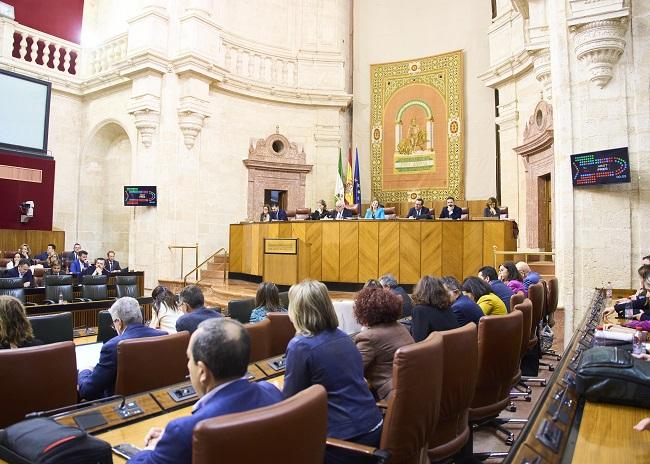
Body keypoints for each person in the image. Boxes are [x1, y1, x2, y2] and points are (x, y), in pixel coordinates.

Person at [128, 318, 283, 464]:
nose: (188, 365)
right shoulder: (273, 392)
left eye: (189, 358)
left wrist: (154, 448)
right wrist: (170, 443)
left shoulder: (184, 431)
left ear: (202, 372)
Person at [283, 280, 383, 463]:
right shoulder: (344, 337)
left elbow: (291, 402)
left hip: (344, 441)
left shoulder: (300, 346)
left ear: (297, 310)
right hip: (374, 428)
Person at [78, 297, 167, 400]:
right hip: (155, 400)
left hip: (119, 407)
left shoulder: (112, 346)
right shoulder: (163, 335)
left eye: (113, 324)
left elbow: (87, 391)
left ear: (119, 322)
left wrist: (84, 370)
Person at [353, 287, 414, 400]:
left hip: (391, 397)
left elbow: (352, 371)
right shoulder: (401, 327)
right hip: (411, 390)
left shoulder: (368, 338)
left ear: (364, 311)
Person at [411, 275, 460, 342]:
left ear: (419, 291)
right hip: (450, 347)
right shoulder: (448, 307)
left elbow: (418, 341)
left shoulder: (419, 310)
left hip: (433, 350)